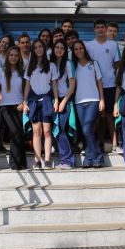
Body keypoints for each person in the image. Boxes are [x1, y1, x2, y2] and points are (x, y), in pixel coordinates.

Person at [23, 39, 60, 170]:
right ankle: (37, 160)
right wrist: (24, 101)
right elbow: (27, 85)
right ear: (33, 50)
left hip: (47, 99)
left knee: (47, 131)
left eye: (40, 47)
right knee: (36, 131)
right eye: (36, 47)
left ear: (44, 49)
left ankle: (48, 160)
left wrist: (56, 99)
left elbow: (54, 84)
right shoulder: (29, 66)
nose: (38, 49)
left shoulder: (51, 65)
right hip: (33, 100)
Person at [85, 19, 120, 152]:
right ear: (94, 29)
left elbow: (117, 64)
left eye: (102, 27)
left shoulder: (113, 45)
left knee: (110, 115)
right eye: (98, 27)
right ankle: (96, 143)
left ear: (105, 29)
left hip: (110, 84)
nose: (100, 29)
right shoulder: (89, 45)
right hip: (93, 86)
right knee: (96, 116)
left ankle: (115, 143)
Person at [73, 40, 105, 168]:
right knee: (86, 131)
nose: (79, 51)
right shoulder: (73, 66)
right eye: (76, 49)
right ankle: (89, 158)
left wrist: (102, 99)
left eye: (80, 48)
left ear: (84, 49)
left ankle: (98, 156)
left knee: (87, 129)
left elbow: (99, 82)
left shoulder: (93, 63)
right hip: (79, 102)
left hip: (94, 100)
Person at [0, 46, 27, 170]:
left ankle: (21, 163)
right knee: (14, 132)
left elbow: (26, 89)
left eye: (16, 55)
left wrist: (24, 102)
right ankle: (14, 164)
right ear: (7, 56)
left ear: (19, 58)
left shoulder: (22, 72)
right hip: (5, 106)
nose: (13, 57)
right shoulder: (0, 71)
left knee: (19, 134)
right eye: (11, 55)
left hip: (19, 105)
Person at [50, 39, 76, 170]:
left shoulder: (68, 63)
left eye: (62, 48)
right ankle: (65, 159)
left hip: (65, 100)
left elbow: (72, 85)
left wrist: (64, 101)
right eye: (57, 47)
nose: (59, 50)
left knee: (61, 129)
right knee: (56, 130)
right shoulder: (50, 64)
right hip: (53, 100)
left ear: (65, 50)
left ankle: (67, 161)